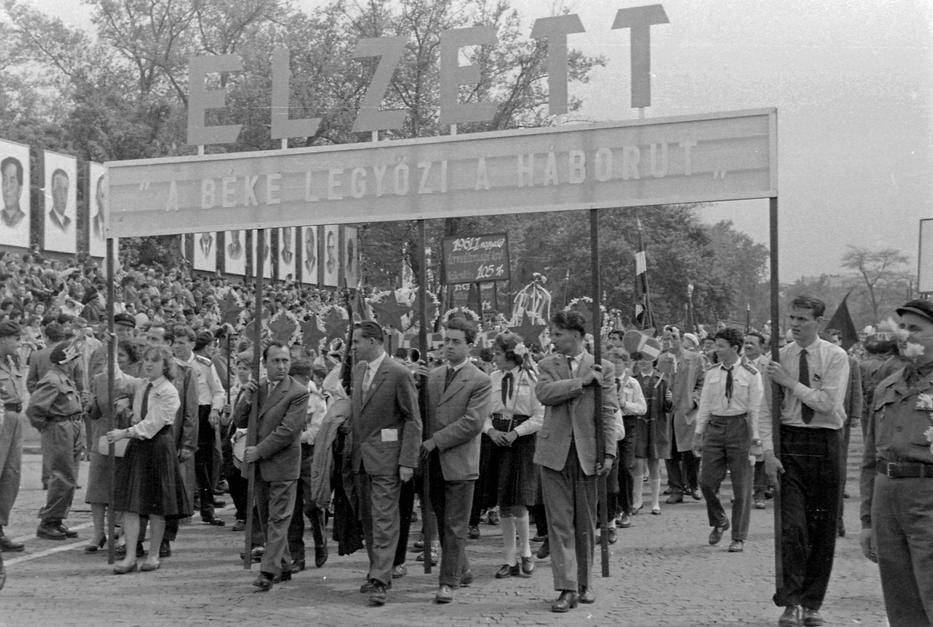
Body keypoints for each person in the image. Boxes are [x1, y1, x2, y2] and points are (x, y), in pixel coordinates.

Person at [761, 294, 850, 627]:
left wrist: (790, 382)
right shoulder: (777, 358)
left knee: (822, 528)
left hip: (825, 443)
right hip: (791, 443)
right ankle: (791, 601)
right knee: (792, 528)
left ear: (819, 322)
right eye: (792, 318)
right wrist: (768, 452)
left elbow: (827, 403)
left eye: (803, 319)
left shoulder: (836, 357)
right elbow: (765, 410)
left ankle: (813, 603)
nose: (795, 324)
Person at [534, 310, 617, 613]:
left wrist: (609, 453)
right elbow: (544, 394)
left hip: (588, 454)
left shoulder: (603, 368)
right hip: (553, 454)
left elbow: (607, 412)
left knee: (585, 523)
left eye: (557, 334)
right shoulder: (547, 365)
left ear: (577, 335)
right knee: (559, 523)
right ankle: (566, 587)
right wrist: (581, 382)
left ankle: (585, 582)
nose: (553, 340)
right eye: (552, 334)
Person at [859, 299, 933, 627]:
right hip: (886, 502)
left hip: (928, 499)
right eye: (901, 328)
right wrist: (866, 521)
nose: (904, 335)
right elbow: (870, 458)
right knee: (900, 600)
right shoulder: (887, 386)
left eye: (915, 329)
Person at [350, 320, 421, 606]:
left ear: (373, 341)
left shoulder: (398, 373)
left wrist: (407, 461)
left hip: (388, 459)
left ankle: (381, 578)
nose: (353, 347)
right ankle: (376, 571)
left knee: (384, 519)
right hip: (361, 459)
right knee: (369, 519)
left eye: (357, 342)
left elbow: (413, 420)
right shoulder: (358, 370)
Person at [421, 317, 491, 603]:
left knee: (455, 524)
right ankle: (462, 568)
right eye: (446, 341)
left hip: (460, 463)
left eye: (456, 342)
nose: (448, 346)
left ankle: (447, 582)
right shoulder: (434, 377)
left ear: (470, 345)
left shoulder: (480, 380)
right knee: (442, 518)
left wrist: (436, 440)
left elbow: (472, 423)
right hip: (434, 462)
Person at [106, 345, 191, 574]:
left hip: (158, 446)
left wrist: (124, 433)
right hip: (139, 447)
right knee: (131, 505)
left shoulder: (169, 391)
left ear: (166, 365)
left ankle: (153, 554)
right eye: (146, 360)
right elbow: (118, 380)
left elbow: (153, 424)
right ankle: (131, 556)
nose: (149, 364)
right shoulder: (141, 384)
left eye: (155, 360)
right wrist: (112, 350)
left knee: (157, 505)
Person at [233, 342, 308, 591]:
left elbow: (287, 431)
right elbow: (240, 419)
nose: (281, 366)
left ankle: (268, 570)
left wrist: (259, 450)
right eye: (276, 361)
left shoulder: (298, 392)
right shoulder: (259, 388)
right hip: (259, 466)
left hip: (282, 464)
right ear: (265, 364)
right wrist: (247, 397)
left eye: (285, 361)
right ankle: (284, 563)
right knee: (266, 518)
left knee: (278, 518)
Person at [692, 328, 763, 553]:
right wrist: (698, 434)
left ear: (735, 348)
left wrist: (756, 440)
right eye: (716, 346)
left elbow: (756, 410)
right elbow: (704, 405)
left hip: (740, 428)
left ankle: (738, 536)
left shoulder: (751, 374)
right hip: (715, 427)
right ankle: (719, 520)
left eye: (721, 346)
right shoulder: (712, 372)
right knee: (705, 481)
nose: (716, 350)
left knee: (741, 486)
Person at [484, 331, 542, 578]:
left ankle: (526, 552)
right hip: (497, 439)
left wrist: (517, 432)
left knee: (518, 500)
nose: (494, 358)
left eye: (498, 354)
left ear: (511, 355)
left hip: (521, 441)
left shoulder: (530, 377)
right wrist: (489, 431)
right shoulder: (492, 378)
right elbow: (482, 413)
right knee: (503, 502)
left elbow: (540, 416)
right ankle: (509, 558)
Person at [85, 340, 139, 552]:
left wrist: (127, 406)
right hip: (103, 437)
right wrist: (90, 406)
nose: (113, 361)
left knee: (123, 487)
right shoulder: (98, 379)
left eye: (120, 357)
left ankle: (124, 533)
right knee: (98, 487)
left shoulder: (135, 381)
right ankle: (99, 533)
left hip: (126, 437)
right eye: (110, 358)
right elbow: (95, 411)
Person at [27, 342, 85, 540]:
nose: (76, 363)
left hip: (70, 426)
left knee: (70, 476)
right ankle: (49, 521)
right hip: (59, 427)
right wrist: (48, 428)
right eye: (73, 359)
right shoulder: (52, 380)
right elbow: (35, 409)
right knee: (62, 475)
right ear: (65, 361)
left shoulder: (63, 378)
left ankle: (57, 518)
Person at [285, 360, 329, 572]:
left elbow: (317, 430)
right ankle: (297, 556)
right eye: (302, 378)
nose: (306, 382)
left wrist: (296, 436)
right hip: (289, 455)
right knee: (292, 508)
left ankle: (320, 541)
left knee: (312, 503)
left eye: (308, 378)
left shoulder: (316, 400)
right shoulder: (285, 397)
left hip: (308, 454)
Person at [661, 326, 704, 503]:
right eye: (667, 337)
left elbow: (702, 382)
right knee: (670, 452)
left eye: (674, 336)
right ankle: (676, 488)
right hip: (669, 412)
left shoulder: (695, 358)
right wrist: (665, 397)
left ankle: (693, 485)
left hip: (688, 411)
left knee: (691, 452)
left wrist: (694, 399)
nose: (671, 340)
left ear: (681, 338)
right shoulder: (661, 359)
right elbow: (658, 383)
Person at [605, 347, 646, 532]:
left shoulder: (632, 383)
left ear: (625, 364)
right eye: (611, 362)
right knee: (610, 469)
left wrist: (625, 404)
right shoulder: (606, 383)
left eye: (617, 362)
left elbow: (642, 407)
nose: (614, 366)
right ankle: (612, 510)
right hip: (610, 425)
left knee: (626, 467)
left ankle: (627, 508)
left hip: (627, 426)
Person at [631, 352, 672, 516]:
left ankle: (655, 503)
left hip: (656, 425)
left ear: (653, 361)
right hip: (638, 425)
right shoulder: (633, 380)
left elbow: (667, 408)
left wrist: (669, 401)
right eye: (640, 360)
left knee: (654, 462)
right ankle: (637, 500)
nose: (643, 363)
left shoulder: (661, 380)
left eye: (647, 360)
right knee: (638, 463)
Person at [0, 321, 25, 553]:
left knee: (11, 475)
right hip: (1, 418)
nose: (19, 344)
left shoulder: (11, 361)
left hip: (15, 419)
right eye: (16, 339)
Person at [1, 157, 25, 229]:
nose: (7, 187)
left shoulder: (23, 220)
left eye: (12, 181)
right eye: (4, 180)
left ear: (20, 189)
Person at [47, 168, 71, 232]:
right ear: (52, 192)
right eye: (59, 189)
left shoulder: (68, 222)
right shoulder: (49, 218)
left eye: (65, 190)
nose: (62, 196)